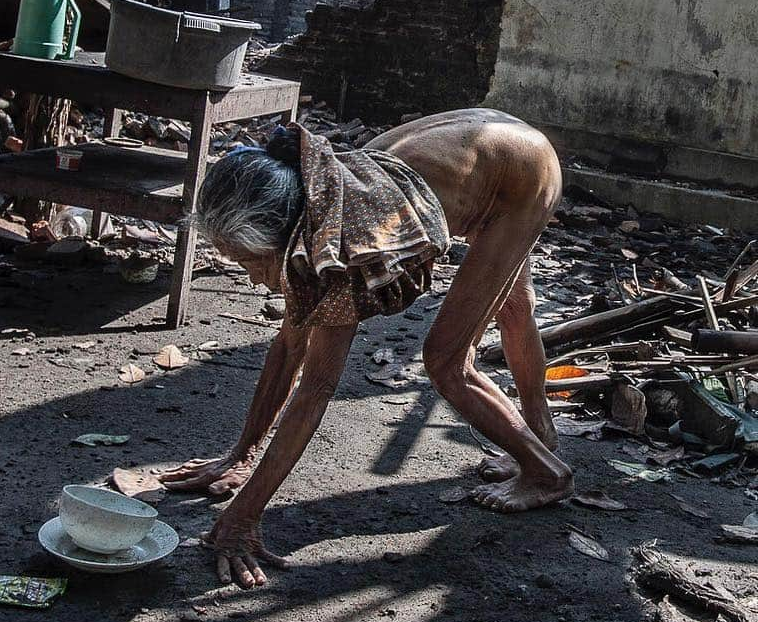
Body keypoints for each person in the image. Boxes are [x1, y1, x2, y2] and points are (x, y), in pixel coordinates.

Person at [159, 109, 573, 589]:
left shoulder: (340, 248)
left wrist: (241, 518)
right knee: (512, 308)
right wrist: (241, 453)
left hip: (520, 178)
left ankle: (546, 472)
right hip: (496, 151)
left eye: (250, 263)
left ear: (285, 238)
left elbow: (315, 386)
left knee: (445, 362)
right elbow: (288, 345)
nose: (251, 278)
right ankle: (540, 432)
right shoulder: (306, 198)